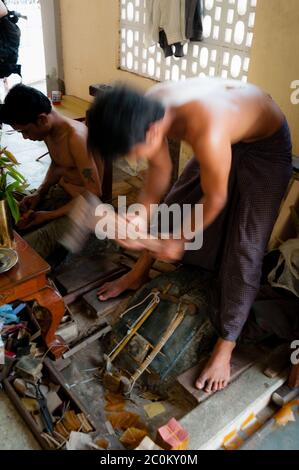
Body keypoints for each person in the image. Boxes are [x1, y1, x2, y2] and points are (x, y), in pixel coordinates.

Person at [87, 77, 295, 392]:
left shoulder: (206, 128)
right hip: (227, 131)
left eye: (135, 152)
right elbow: (159, 172)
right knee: (174, 206)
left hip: (264, 146)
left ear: (152, 131)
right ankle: (138, 273)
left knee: (245, 245)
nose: (134, 160)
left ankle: (226, 347)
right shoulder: (153, 106)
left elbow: (216, 198)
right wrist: (140, 215)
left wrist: (179, 241)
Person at [0, 84, 103, 260]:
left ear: (41, 119)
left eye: (26, 131)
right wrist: (40, 193)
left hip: (85, 208)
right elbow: (57, 164)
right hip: (62, 194)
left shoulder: (76, 138)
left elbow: (94, 193)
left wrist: (49, 216)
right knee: (8, 206)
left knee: (28, 249)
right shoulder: (49, 131)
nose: (25, 137)